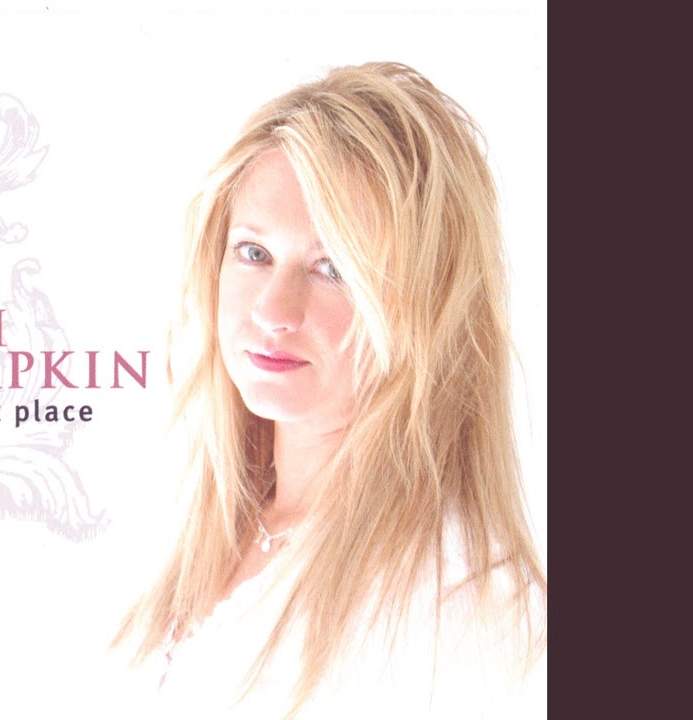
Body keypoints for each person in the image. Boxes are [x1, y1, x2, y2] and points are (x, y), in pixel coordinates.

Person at [111, 62, 546, 718]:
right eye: (253, 253)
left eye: (333, 268)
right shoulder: (189, 512)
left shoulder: (463, 599)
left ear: (429, 305)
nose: (273, 311)